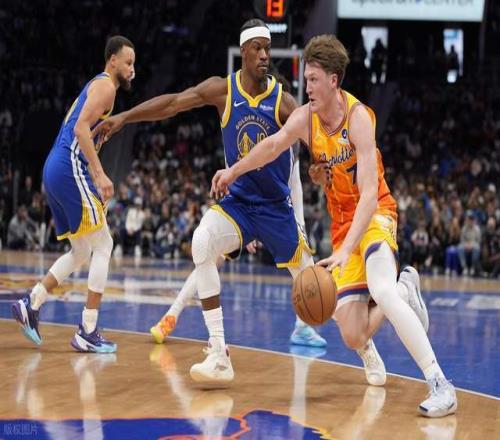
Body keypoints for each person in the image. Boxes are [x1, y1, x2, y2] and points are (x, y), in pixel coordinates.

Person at [94, 20, 355, 386]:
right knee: (201, 242)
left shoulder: (283, 100)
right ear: (243, 52)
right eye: (258, 48)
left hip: (275, 209)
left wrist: (318, 169)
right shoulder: (222, 90)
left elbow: (318, 146)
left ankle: (366, 350)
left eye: (268, 49)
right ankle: (219, 353)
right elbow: (172, 103)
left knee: (316, 288)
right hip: (239, 204)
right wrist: (124, 117)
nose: (265, 55)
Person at [212, 34, 457, 417]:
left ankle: (440, 384)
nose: (307, 87)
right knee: (353, 334)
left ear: (333, 80)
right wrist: (233, 171)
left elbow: (370, 195)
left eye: (313, 79)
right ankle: (406, 287)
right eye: (306, 79)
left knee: (381, 289)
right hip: (343, 224)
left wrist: (344, 250)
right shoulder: (305, 118)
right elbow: (272, 146)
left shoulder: (358, 119)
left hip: (374, 215)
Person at [11, 36, 136, 353]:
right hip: (68, 166)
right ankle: (88, 330)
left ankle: (32, 302)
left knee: (81, 251)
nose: (132, 69)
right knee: (104, 244)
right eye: (128, 63)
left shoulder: (97, 86)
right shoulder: (106, 86)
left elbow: (81, 130)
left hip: (55, 167)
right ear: (112, 60)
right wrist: (99, 174)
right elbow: (80, 129)